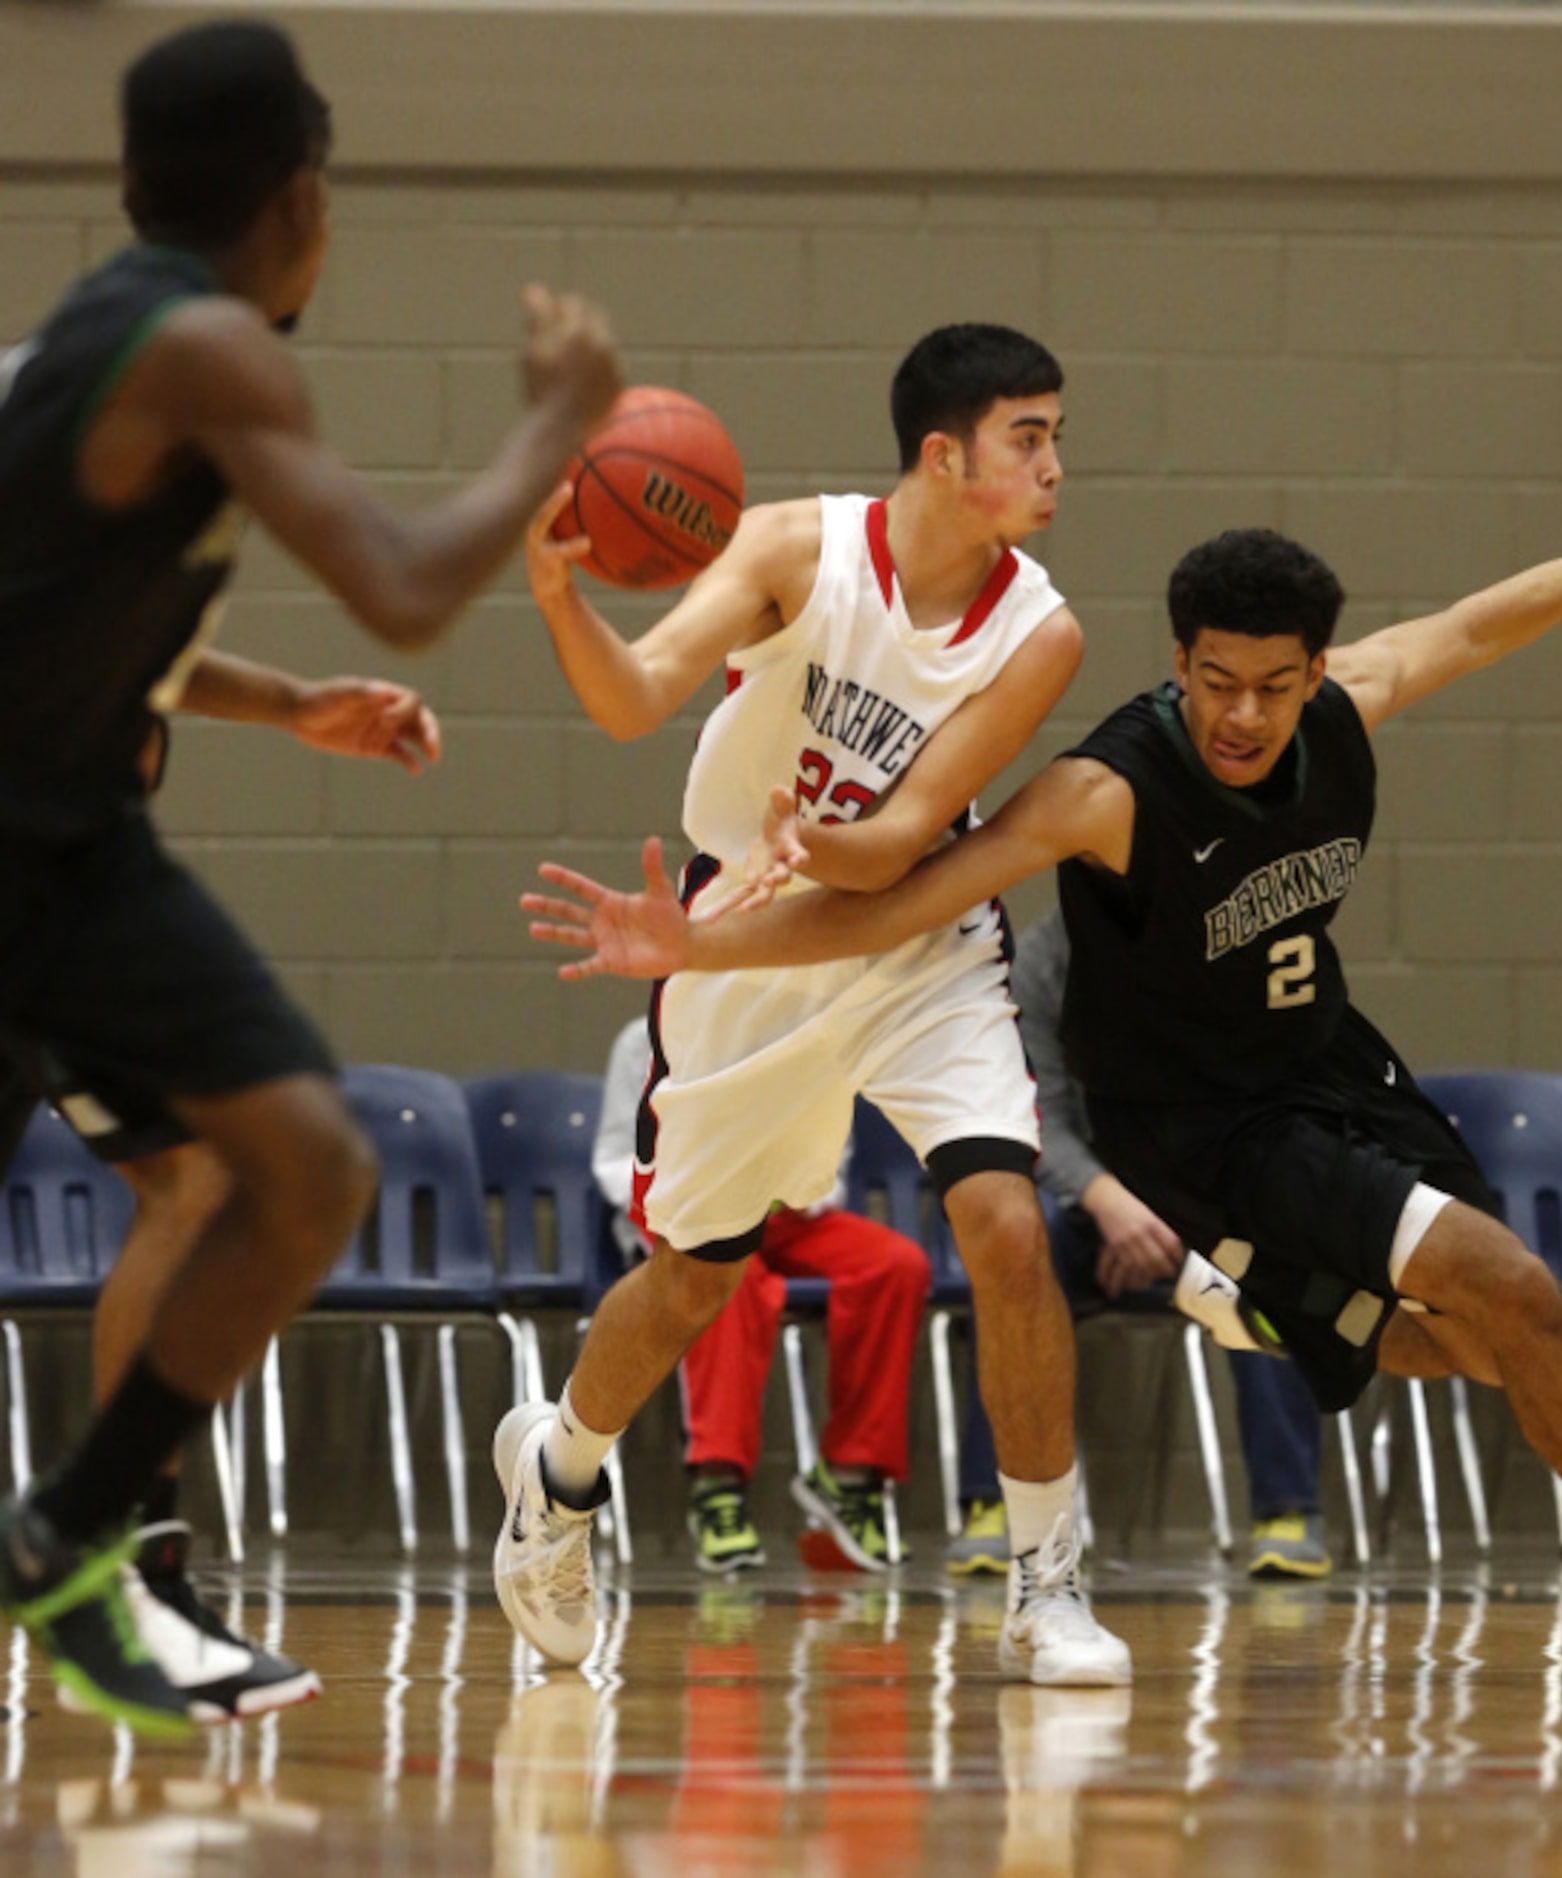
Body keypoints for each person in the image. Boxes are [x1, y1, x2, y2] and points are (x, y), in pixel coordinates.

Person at [529, 518, 1562, 1685]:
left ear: (1315, 674)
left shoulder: (1339, 716)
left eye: (1271, 686)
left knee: (1473, 1332)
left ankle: (1271, 1313)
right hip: (1201, 1132)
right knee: (1517, 1293)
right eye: (1214, 681)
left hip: (1332, 1077)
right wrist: (697, 943)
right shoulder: (1109, 790)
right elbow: (913, 895)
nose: (1241, 715)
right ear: (1176, 661)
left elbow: (1471, 628)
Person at [0, 18, 619, 1736]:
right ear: (300, 198)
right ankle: (79, 1537)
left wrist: (290, 709)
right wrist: (553, 426)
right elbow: (410, 581)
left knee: (292, 1163)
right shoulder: (208, 351)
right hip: (30, 841)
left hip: (74, 845)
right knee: (279, 1172)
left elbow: (90, 626)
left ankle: (72, 1533)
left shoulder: (111, 340)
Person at [493, 322, 1130, 1688]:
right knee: (691, 1279)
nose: (1057, 463)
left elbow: (905, 833)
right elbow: (637, 696)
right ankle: (556, 1478)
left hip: (917, 937)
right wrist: (559, 599)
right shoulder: (791, 550)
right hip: (738, 939)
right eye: (1032, 436)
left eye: (1057, 433)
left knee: (1004, 1224)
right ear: (945, 452)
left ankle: (1045, 1576)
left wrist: (820, 839)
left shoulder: (1040, 629)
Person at [0, 647, 440, 1720]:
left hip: (55, 894)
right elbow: (401, 584)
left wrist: (292, 702)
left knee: (199, 1179)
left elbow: (134, 637)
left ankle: (128, 1564)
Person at [947, 910, 1331, 1579]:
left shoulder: (1222, 955)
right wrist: (1110, 1202)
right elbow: (1033, 1117)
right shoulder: (1035, 965)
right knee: (1011, 1243)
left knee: (1274, 1250)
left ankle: (1287, 1511)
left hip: (1200, 1199)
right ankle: (995, 1503)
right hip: (1085, 1204)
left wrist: (1161, 1212)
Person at [591, 1018, 930, 1573]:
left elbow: (831, 1156)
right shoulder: (645, 1037)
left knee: (896, 1266)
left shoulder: (811, 1027)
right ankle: (718, 1485)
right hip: (688, 1210)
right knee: (725, 1274)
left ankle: (849, 1475)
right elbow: (613, 1158)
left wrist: (785, 1189)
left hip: (787, 1212)